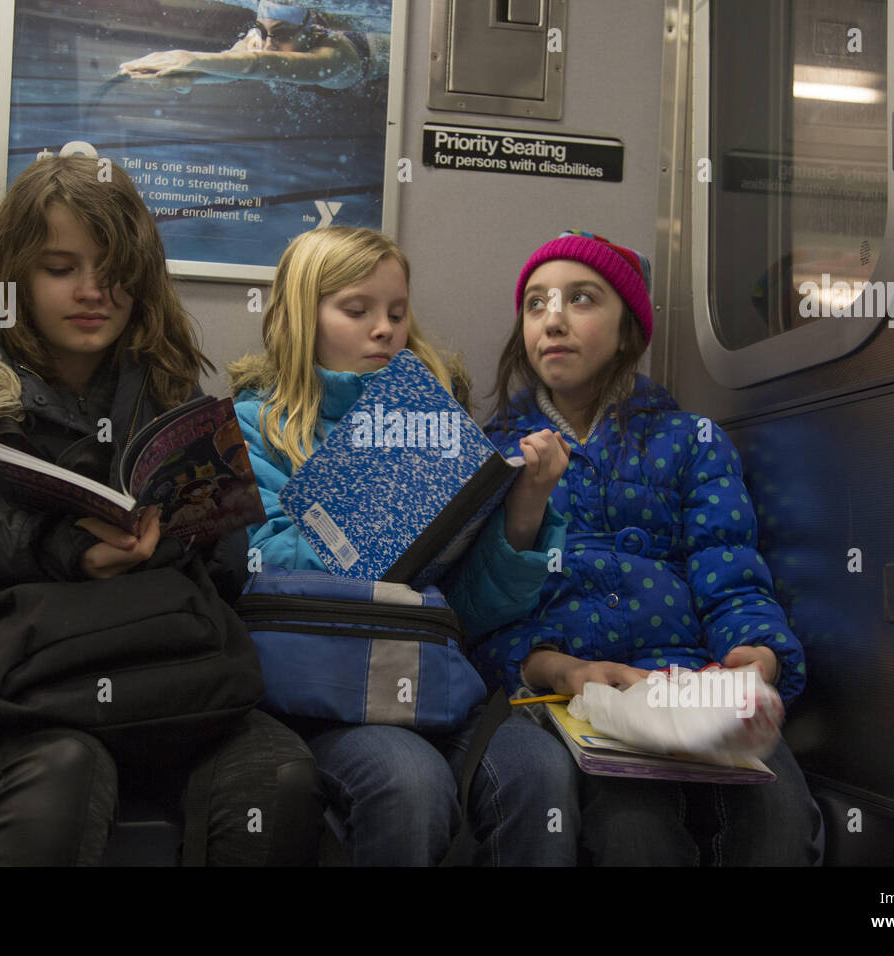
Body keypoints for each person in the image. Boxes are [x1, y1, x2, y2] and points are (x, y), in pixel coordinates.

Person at [0, 155, 322, 866]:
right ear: (15, 278)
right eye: (60, 268)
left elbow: (228, 577)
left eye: (112, 269)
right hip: (8, 683)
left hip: (153, 669)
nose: (93, 292)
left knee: (278, 780)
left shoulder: (169, 385)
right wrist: (49, 542)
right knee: (63, 779)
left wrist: (183, 532)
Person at [227, 225, 579, 865]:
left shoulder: (437, 421)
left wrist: (525, 507)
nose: (384, 329)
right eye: (356, 311)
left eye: (396, 311)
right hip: (327, 690)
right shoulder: (255, 427)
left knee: (541, 773)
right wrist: (387, 500)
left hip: (436, 680)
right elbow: (264, 564)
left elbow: (469, 609)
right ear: (302, 318)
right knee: (409, 783)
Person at [477, 229, 825, 866]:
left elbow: (730, 572)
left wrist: (757, 656)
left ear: (630, 328)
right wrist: (550, 668)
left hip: (686, 682)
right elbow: (483, 606)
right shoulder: (495, 452)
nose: (552, 320)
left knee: (781, 820)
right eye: (535, 304)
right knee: (633, 831)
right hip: (573, 692)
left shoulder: (692, 440)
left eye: (581, 299)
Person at [119, 1, 389, 93]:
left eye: (281, 35)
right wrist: (186, 77)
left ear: (307, 32)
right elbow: (233, 64)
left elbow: (261, 65)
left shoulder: (334, 57)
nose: (267, 45)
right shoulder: (261, 40)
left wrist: (187, 57)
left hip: (383, 56)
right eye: (261, 31)